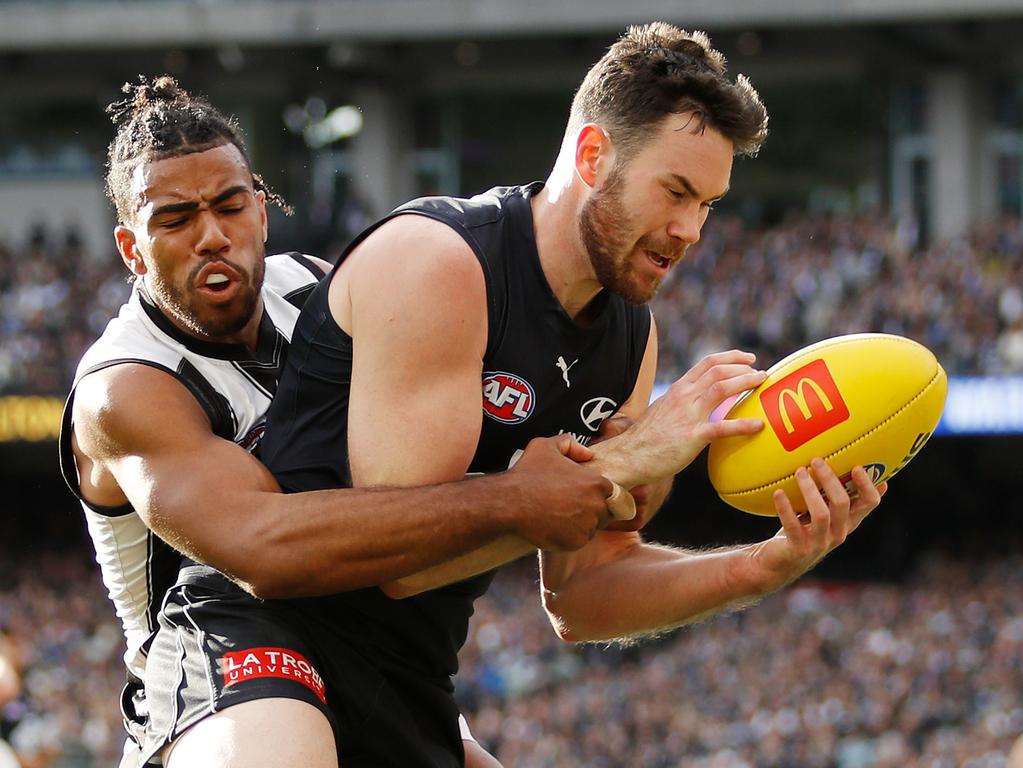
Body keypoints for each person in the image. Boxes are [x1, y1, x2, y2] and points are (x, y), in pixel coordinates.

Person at [141, 23, 886, 767]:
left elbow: (582, 595)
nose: (690, 229)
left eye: (709, 204)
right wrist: (624, 461)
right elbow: (403, 564)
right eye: (676, 191)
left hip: (410, 680)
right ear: (593, 156)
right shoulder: (441, 263)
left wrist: (765, 564)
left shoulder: (630, 337)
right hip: (261, 637)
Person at [59, 76, 636, 768]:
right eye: (175, 220)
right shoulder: (124, 388)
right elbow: (264, 551)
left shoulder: (313, 283)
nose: (211, 236)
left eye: (230, 205)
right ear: (131, 249)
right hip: (219, 676)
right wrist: (516, 498)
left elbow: (427, 461)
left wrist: (622, 451)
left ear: (262, 212)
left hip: (365, 657)